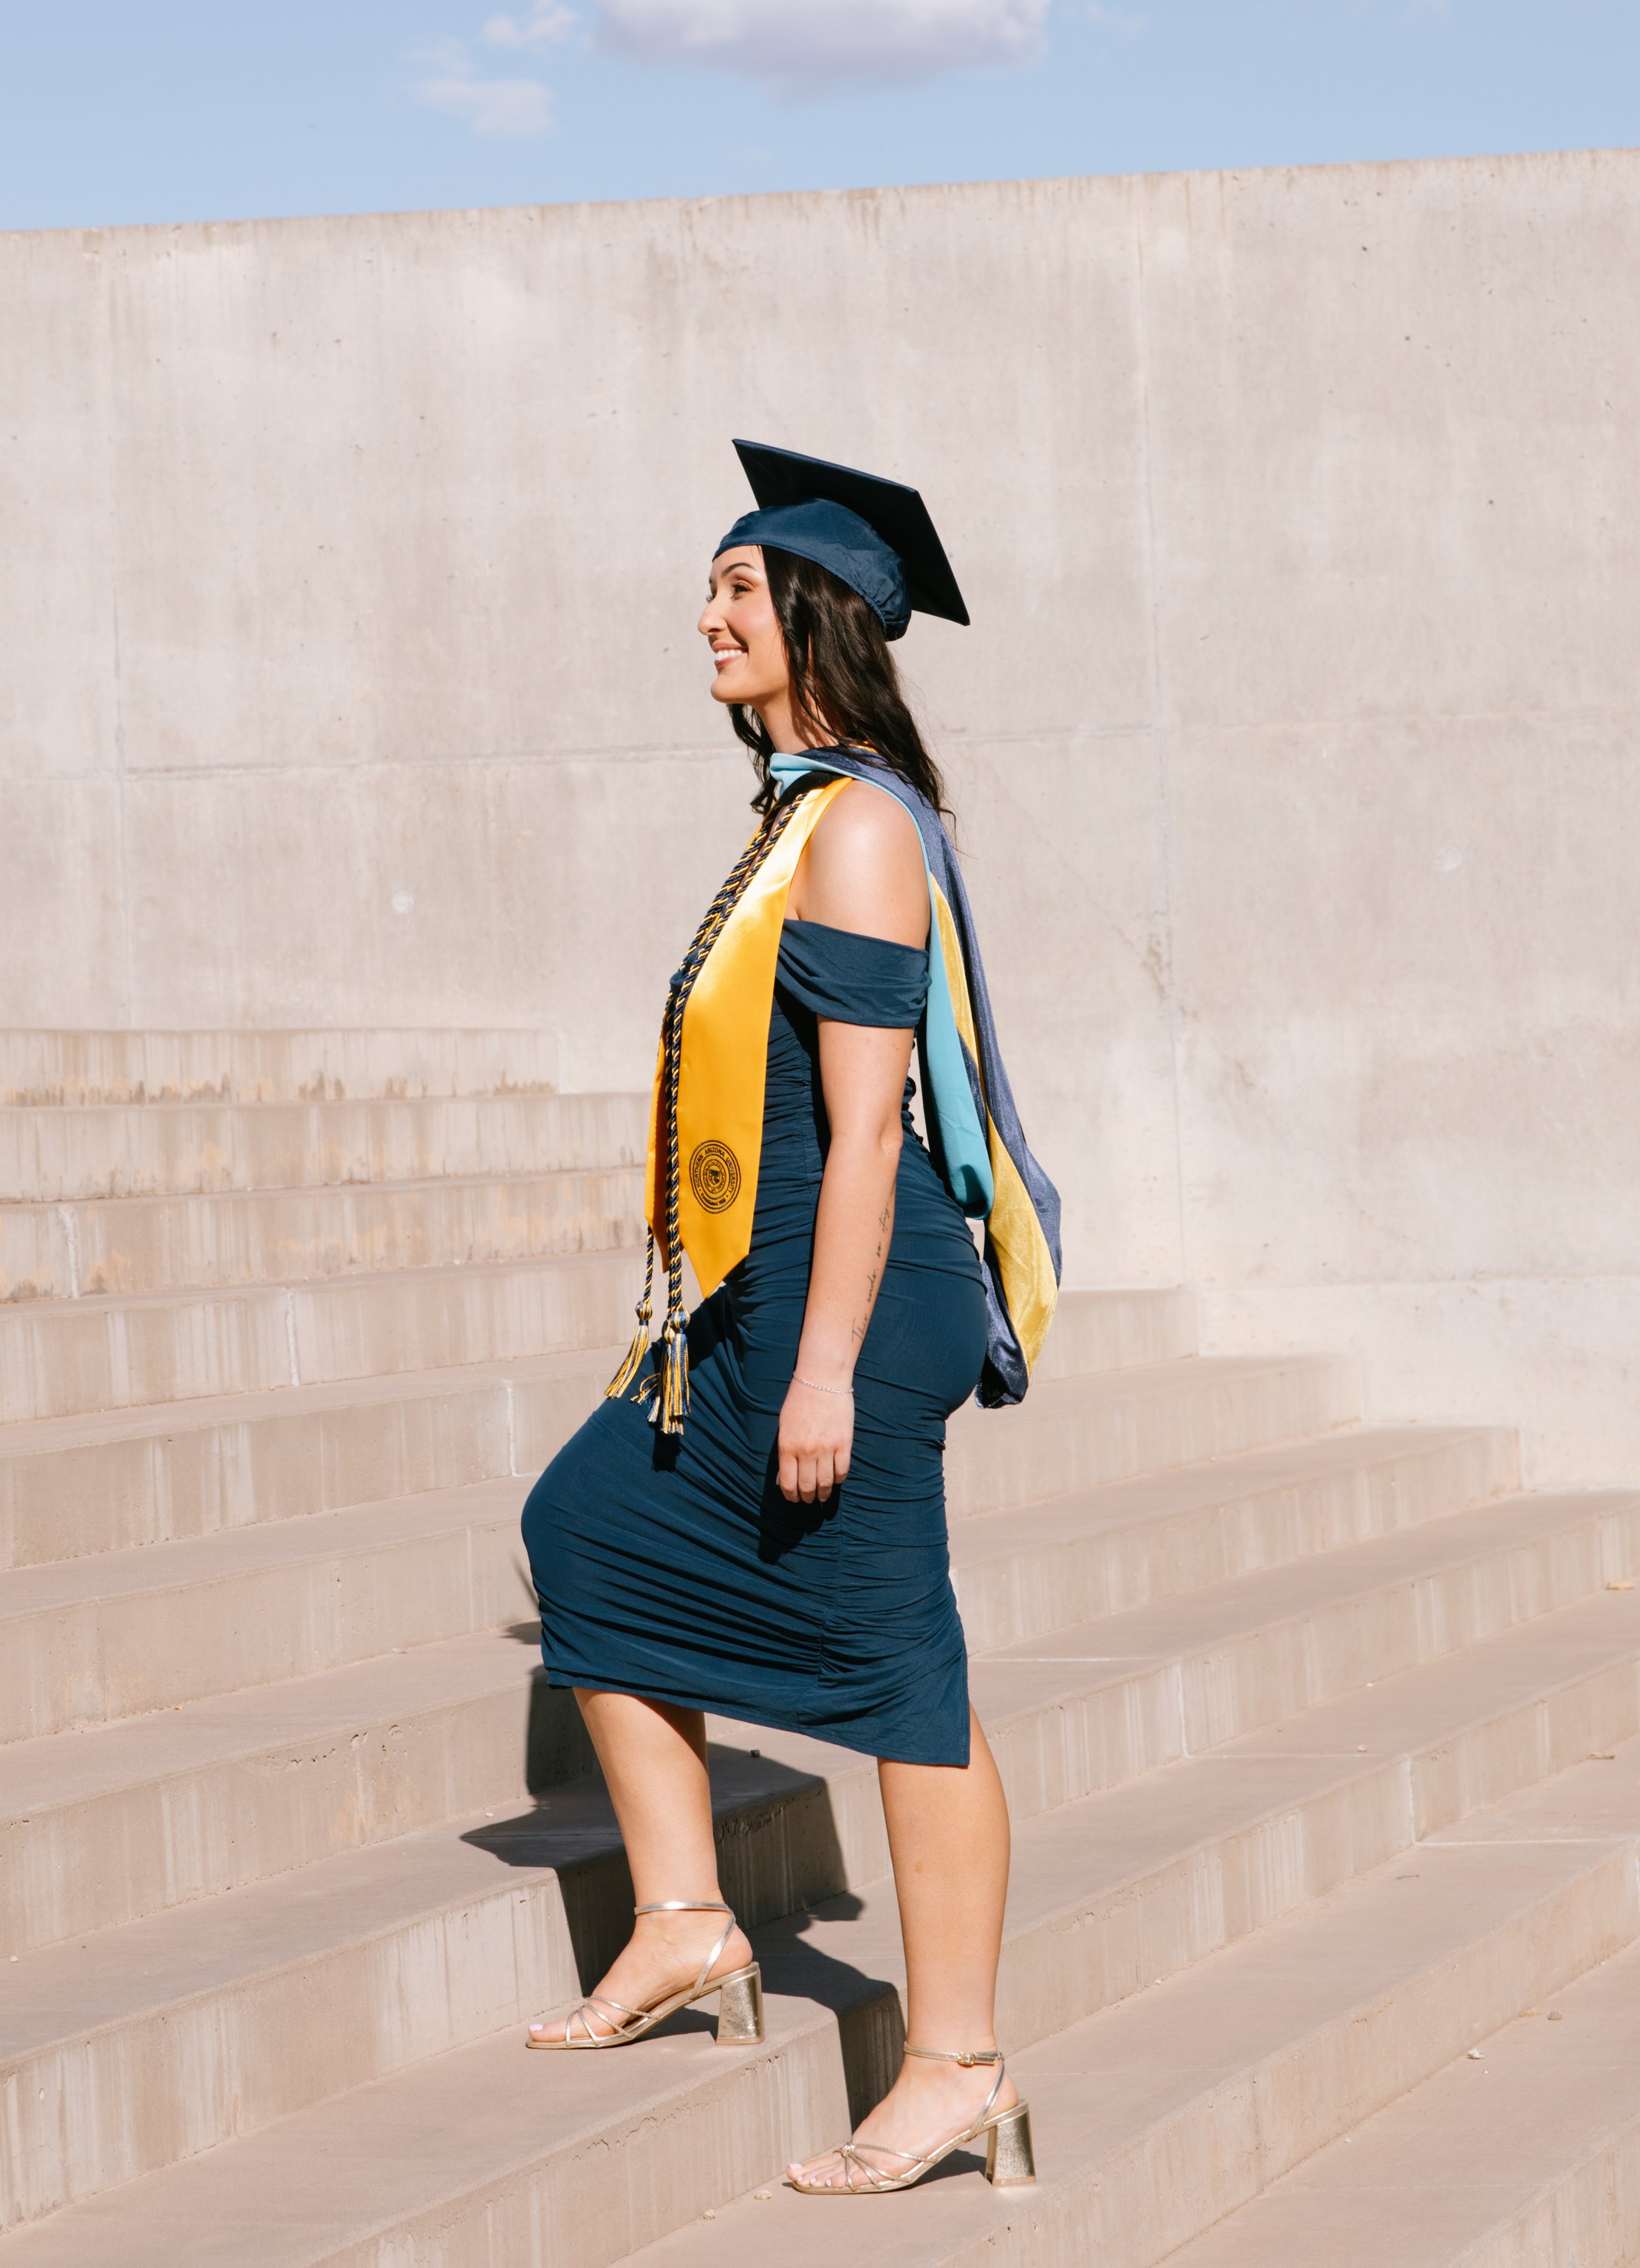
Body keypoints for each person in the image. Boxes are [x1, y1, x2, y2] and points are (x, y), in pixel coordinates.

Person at [520, 440, 1061, 2196]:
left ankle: (958, 2064)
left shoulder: (858, 831)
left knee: (904, 1671)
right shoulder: (801, 817)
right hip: (766, 1295)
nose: (707, 618)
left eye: (738, 589)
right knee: (585, 1523)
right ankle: (685, 1921)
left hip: (859, 1303)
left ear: (818, 611)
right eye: (709, 588)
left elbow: (863, 1130)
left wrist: (821, 1365)